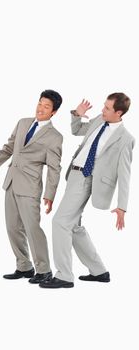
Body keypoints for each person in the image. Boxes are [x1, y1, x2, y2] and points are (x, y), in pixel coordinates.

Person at [39, 93, 135, 289]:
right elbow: (77, 130)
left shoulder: (125, 139)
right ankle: (99, 271)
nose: (102, 110)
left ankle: (64, 276)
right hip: (74, 174)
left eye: (107, 108)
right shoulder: (100, 120)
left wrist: (122, 206)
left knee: (60, 222)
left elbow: (125, 174)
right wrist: (77, 114)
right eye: (104, 106)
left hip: (89, 179)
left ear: (119, 112)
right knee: (73, 226)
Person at [0, 90, 63, 284]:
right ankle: (24, 266)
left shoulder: (55, 137)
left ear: (54, 112)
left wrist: (50, 195)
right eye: (40, 103)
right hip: (11, 182)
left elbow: (54, 169)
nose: (41, 108)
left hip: (30, 187)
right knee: (12, 228)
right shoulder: (23, 123)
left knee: (32, 229)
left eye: (46, 106)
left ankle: (44, 270)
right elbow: (8, 148)